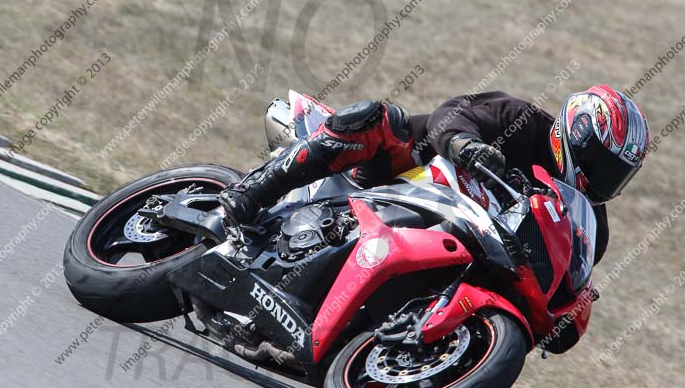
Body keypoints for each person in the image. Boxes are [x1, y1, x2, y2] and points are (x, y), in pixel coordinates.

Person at [219, 85, 650, 264]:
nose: (606, 180)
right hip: (404, 175)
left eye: (619, 174)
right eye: (604, 163)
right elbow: (452, 114)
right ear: (575, 134)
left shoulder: (590, 226)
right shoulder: (521, 119)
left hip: (459, 245)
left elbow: (565, 281)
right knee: (379, 119)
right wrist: (465, 144)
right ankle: (254, 190)